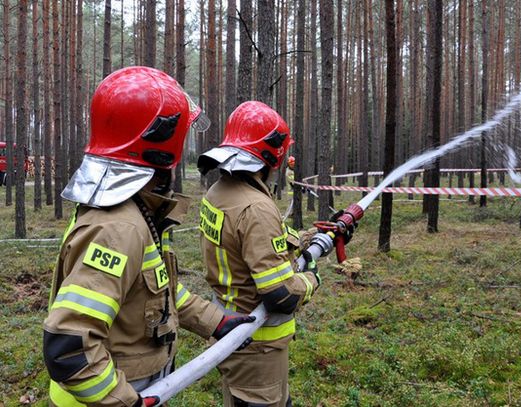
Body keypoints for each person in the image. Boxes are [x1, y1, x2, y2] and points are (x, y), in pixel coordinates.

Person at [42, 67, 254, 407]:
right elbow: (69, 345)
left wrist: (215, 321)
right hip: (114, 393)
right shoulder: (118, 228)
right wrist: (127, 401)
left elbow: (155, 291)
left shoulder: (133, 211)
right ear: (162, 146)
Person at [197, 101, 322, 407]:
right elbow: (280, 294)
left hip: (230, 328)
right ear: (275, 154)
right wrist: (311, 280)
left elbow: (247, 245)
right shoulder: (256, 207)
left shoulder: (219, 192)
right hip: (259, 345)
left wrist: (307, 240)